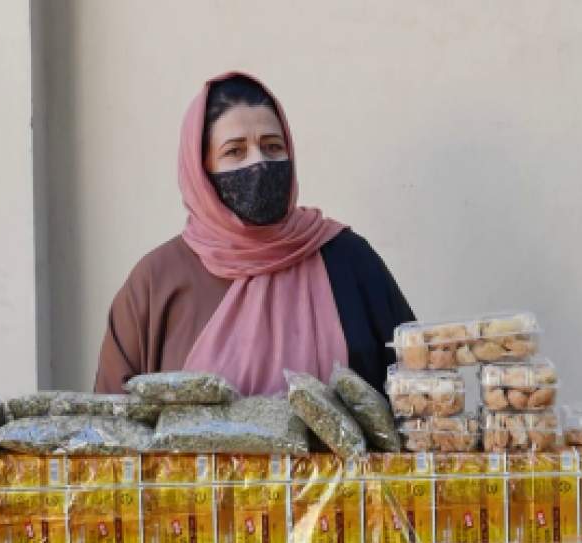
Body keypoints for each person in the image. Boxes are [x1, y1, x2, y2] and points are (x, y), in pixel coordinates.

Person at [94, 71, 414, 396]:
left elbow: (420, 392)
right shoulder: (156, 282)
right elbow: (112, 427)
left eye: (272, 146)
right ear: (200, 169)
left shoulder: (349, 261)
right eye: (235, 151)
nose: (259, 163)